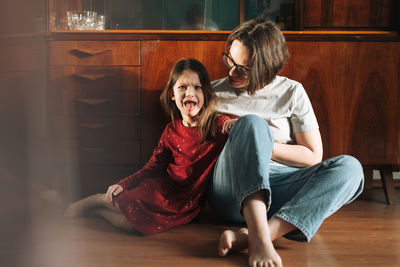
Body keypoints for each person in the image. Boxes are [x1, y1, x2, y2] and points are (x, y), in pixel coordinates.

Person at [208, 18, 364, 267]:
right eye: (229, 60)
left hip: (280, 187)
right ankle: (260, 235)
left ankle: (258, 236)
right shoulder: (211, 93)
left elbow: (313, 156)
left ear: (267, 70)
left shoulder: (293, 92)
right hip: (230, 190)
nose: (231, 72)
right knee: (252, 123)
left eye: (243, 69)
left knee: (351, 168)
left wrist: (263, 146)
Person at [64, 58, 231, 235]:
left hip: (187, 202)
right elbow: (153, 167)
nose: (190, 93)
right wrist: (124, 184)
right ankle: (97, 200)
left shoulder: (216, 125)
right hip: (163, 188)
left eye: (196, 87)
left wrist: (233, 123)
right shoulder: (171, 130)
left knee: (133, 226)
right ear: (172, 94)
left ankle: (99, 212)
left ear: (205, 93)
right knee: (123, 200)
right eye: (182, 87)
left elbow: (229, 123)